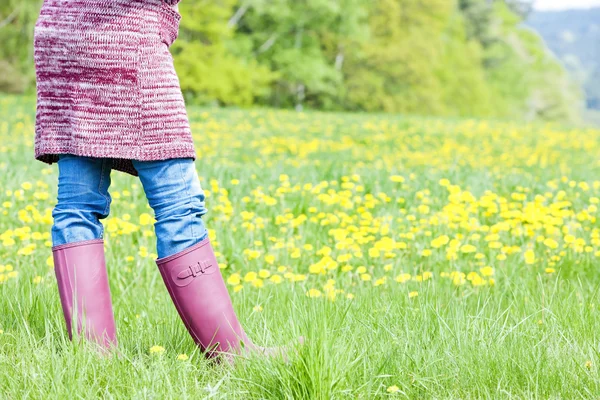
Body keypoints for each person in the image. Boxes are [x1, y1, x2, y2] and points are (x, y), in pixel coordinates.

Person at [33, 0, 275, 361]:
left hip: (63, 30)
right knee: (180, 206)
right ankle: (232, 355)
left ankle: (92, 359)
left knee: (77, 206)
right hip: (123, 34)